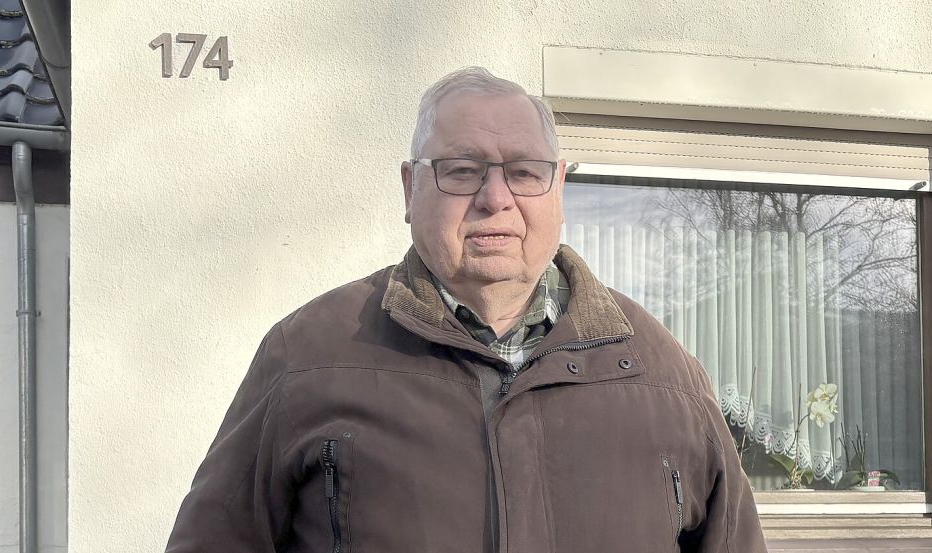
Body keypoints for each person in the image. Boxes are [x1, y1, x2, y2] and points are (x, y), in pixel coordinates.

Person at [165, 67, 768, 553]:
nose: (496, 199)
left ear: (558, 188)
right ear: (409, 189)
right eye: (461, 172)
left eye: (524, 172)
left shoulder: (662, 371)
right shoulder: (307, 356)